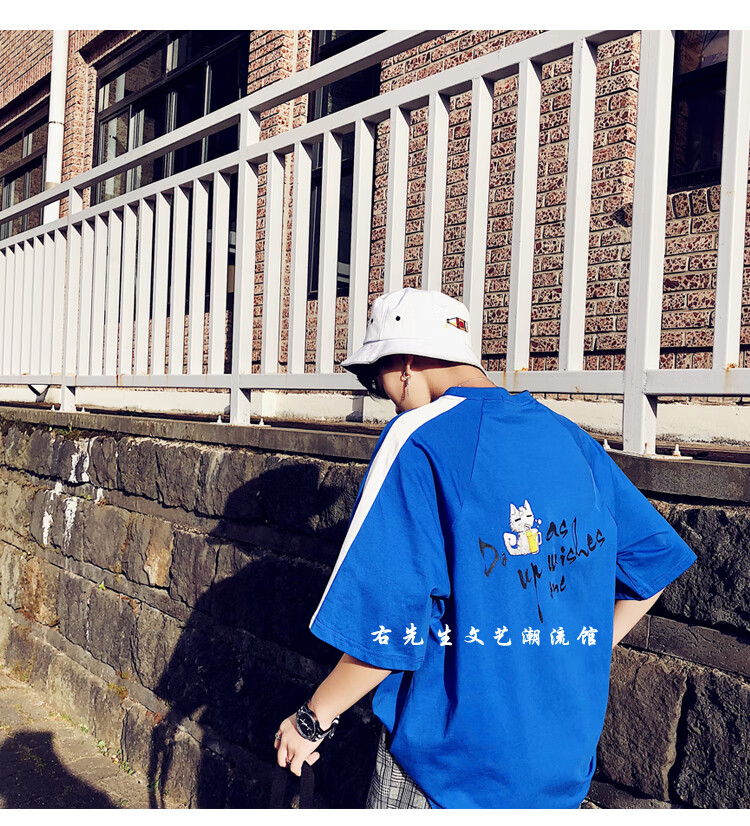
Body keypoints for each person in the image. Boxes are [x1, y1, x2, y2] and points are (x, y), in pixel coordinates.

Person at [273, 287, 697, 808]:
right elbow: (652, 565)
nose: (384, 396)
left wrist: (312, 719)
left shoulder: (418, 440)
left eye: (376, 377)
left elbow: (386, 624)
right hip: (558, 769)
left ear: (404, 364)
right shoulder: (569, 437)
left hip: (449, 769)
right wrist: (578, 649)